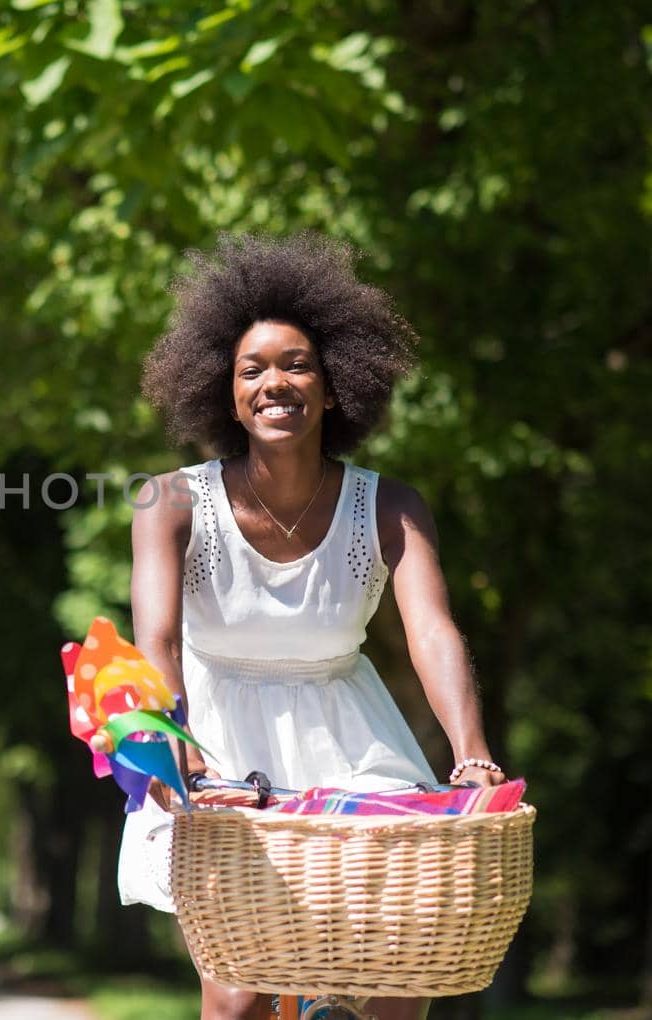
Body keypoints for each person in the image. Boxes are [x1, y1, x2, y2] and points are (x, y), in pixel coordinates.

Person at [121, 232, 505, 1020]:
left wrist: (472, 756)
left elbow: (432, 630)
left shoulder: (390, 506)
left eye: (297, 365)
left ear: (334, 387)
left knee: (399, 982)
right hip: (217, 745)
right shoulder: (170, 503)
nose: (276, 383)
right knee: (237, 996)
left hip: (352, 740)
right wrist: (172, 752)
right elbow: (155, 640)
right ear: (224, 395)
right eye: (251, 369)